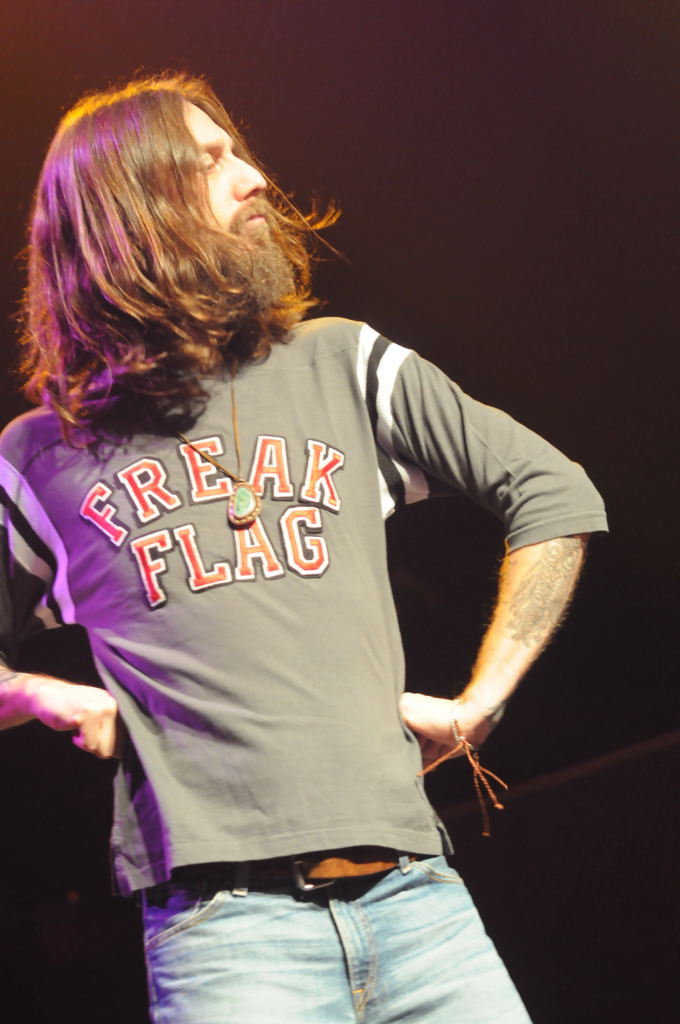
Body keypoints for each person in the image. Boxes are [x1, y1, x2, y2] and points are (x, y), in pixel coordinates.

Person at [0, 73, 607, 1023]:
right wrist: (39, 694)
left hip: (421, 904)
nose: (254, 179)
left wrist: (483, 701)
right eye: (211, 162)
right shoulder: (46, 455)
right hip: (225, 938)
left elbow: (552, 490)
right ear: (132, 208)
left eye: (240, 153)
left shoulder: (342, 363)